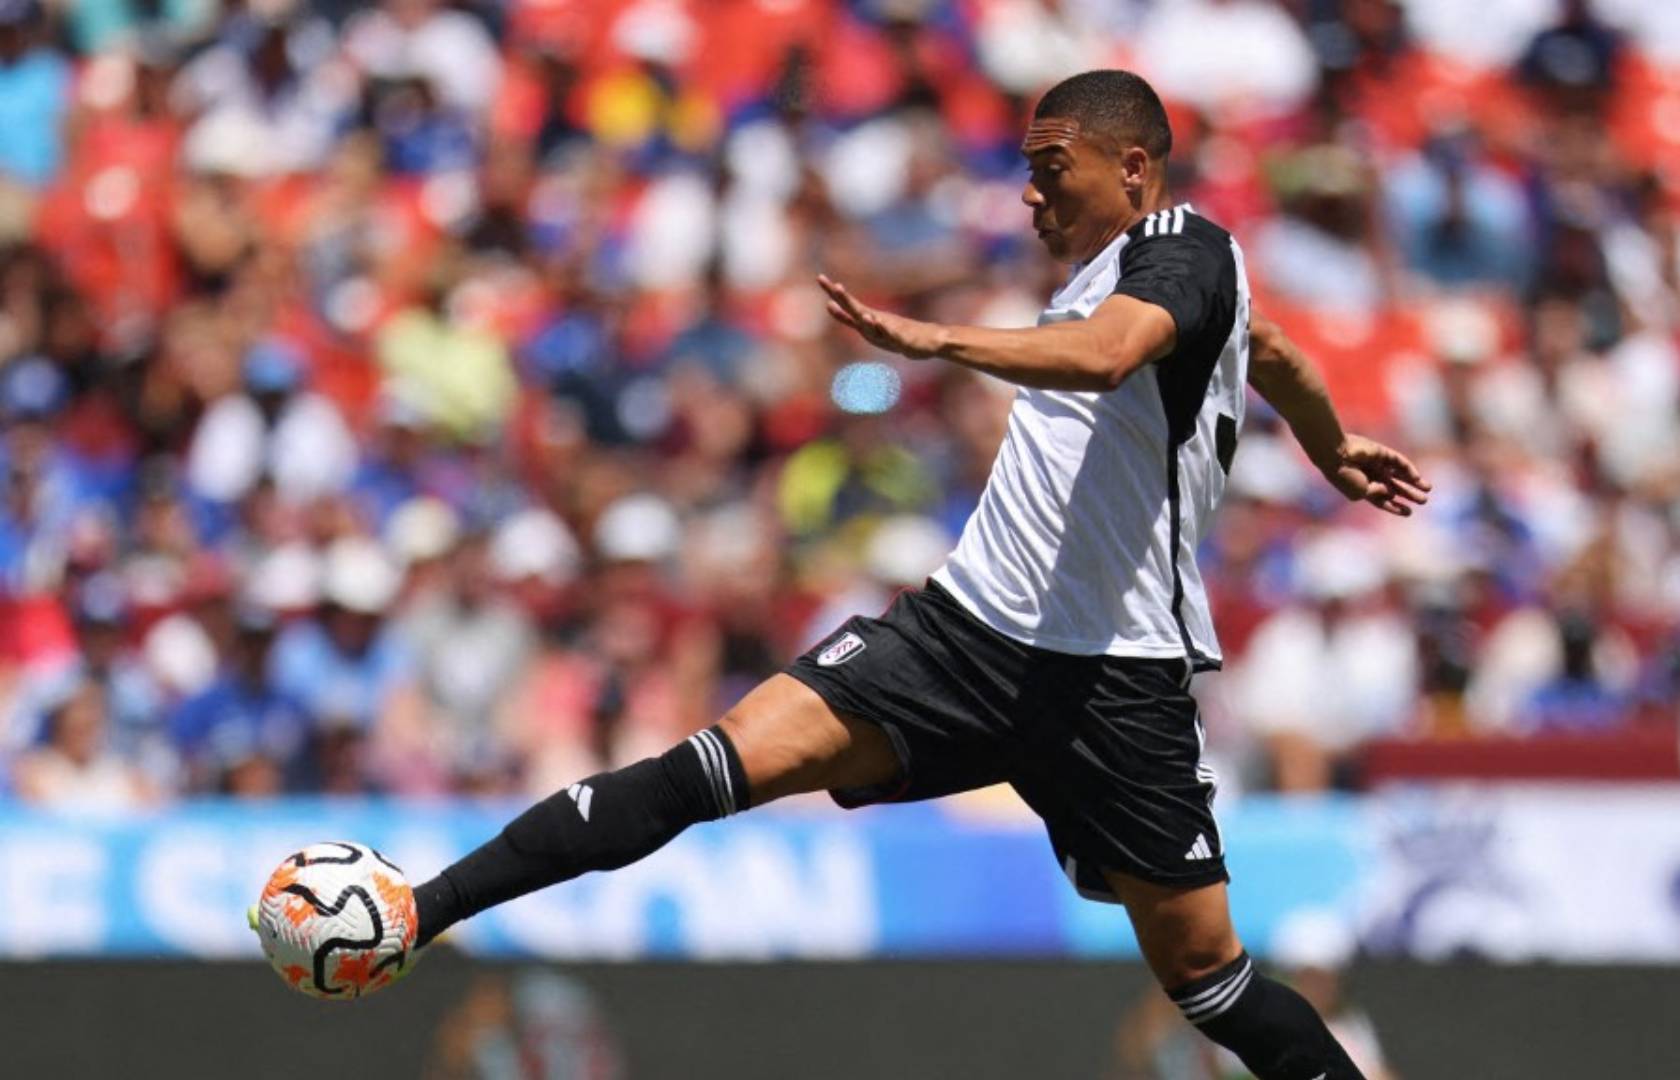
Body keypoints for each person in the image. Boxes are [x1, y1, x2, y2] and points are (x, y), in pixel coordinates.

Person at [285, 70, 1429, 1080]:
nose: (1031, 194)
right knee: (710, 765)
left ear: (1132, 166)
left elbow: (1108, 357)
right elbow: (1266, 351)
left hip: (1115, 683)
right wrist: (1331, 447)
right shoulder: (1128, 278)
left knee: (1209, 985)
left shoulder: (1181, 249)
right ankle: (411, 914)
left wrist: (936, 343)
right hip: (960, 638)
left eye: (1051, 168)